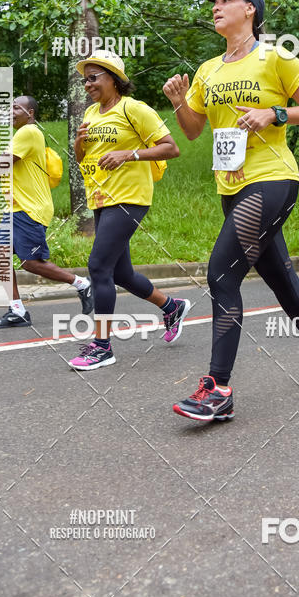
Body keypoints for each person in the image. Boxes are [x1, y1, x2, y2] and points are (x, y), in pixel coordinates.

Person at [163, 0, 299, 422]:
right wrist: (177, 103)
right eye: (214, 2)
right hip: (232, 186)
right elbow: (192, 130)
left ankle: (217, 389)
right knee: (279, 277)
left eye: (227, 0)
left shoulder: (276, 57)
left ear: (251, 11)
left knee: (221, 274)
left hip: (273, 178)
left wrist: (274, 112)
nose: (217, 7)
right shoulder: (208, 70)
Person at [68, 51, 191, 371]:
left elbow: (171, 147)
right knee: (120, 273)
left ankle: (102, 346)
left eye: (93, 78)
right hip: (102, 198)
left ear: (114, 79)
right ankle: (172, 306)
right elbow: (84, 160)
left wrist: (129, 154)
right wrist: (79, 144)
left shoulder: (133, 109)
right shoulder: (92, 114)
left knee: (97, 267)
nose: (88, 84)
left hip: (130, 197)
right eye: (85, 80)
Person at [0, 95, 94, 328]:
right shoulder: (22, 134)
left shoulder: (28, 132)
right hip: (16, 209)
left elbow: (4, 162)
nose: (11, 111)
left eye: (16, 107)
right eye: (9, 108)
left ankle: (82, 284)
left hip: (30, 209)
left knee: (30, 262)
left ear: (31, 114)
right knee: (1, 255)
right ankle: (17, 311)